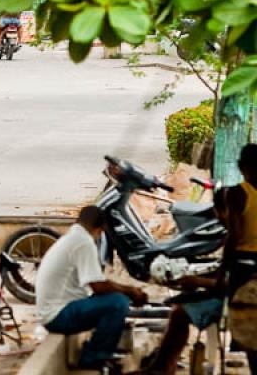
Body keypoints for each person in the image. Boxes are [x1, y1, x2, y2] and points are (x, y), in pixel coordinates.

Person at [131, 144, 257, 374]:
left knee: (181, 312)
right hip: (245, 273)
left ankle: (161, 368)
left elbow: (234, 239)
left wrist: (206, 282)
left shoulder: (240, 193)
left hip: (245, 276)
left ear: (242, 167)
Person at [37, 206, 148, 372]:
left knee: (115, 299)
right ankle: (94, 357)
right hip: (58, 315)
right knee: (117, 303)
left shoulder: (74, 238)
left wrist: (123, 289)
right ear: (100, 229)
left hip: (56, 311)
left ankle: (97, 352)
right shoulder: (83, 242)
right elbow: (98, 286)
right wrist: (130, 291)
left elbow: (97, 282)